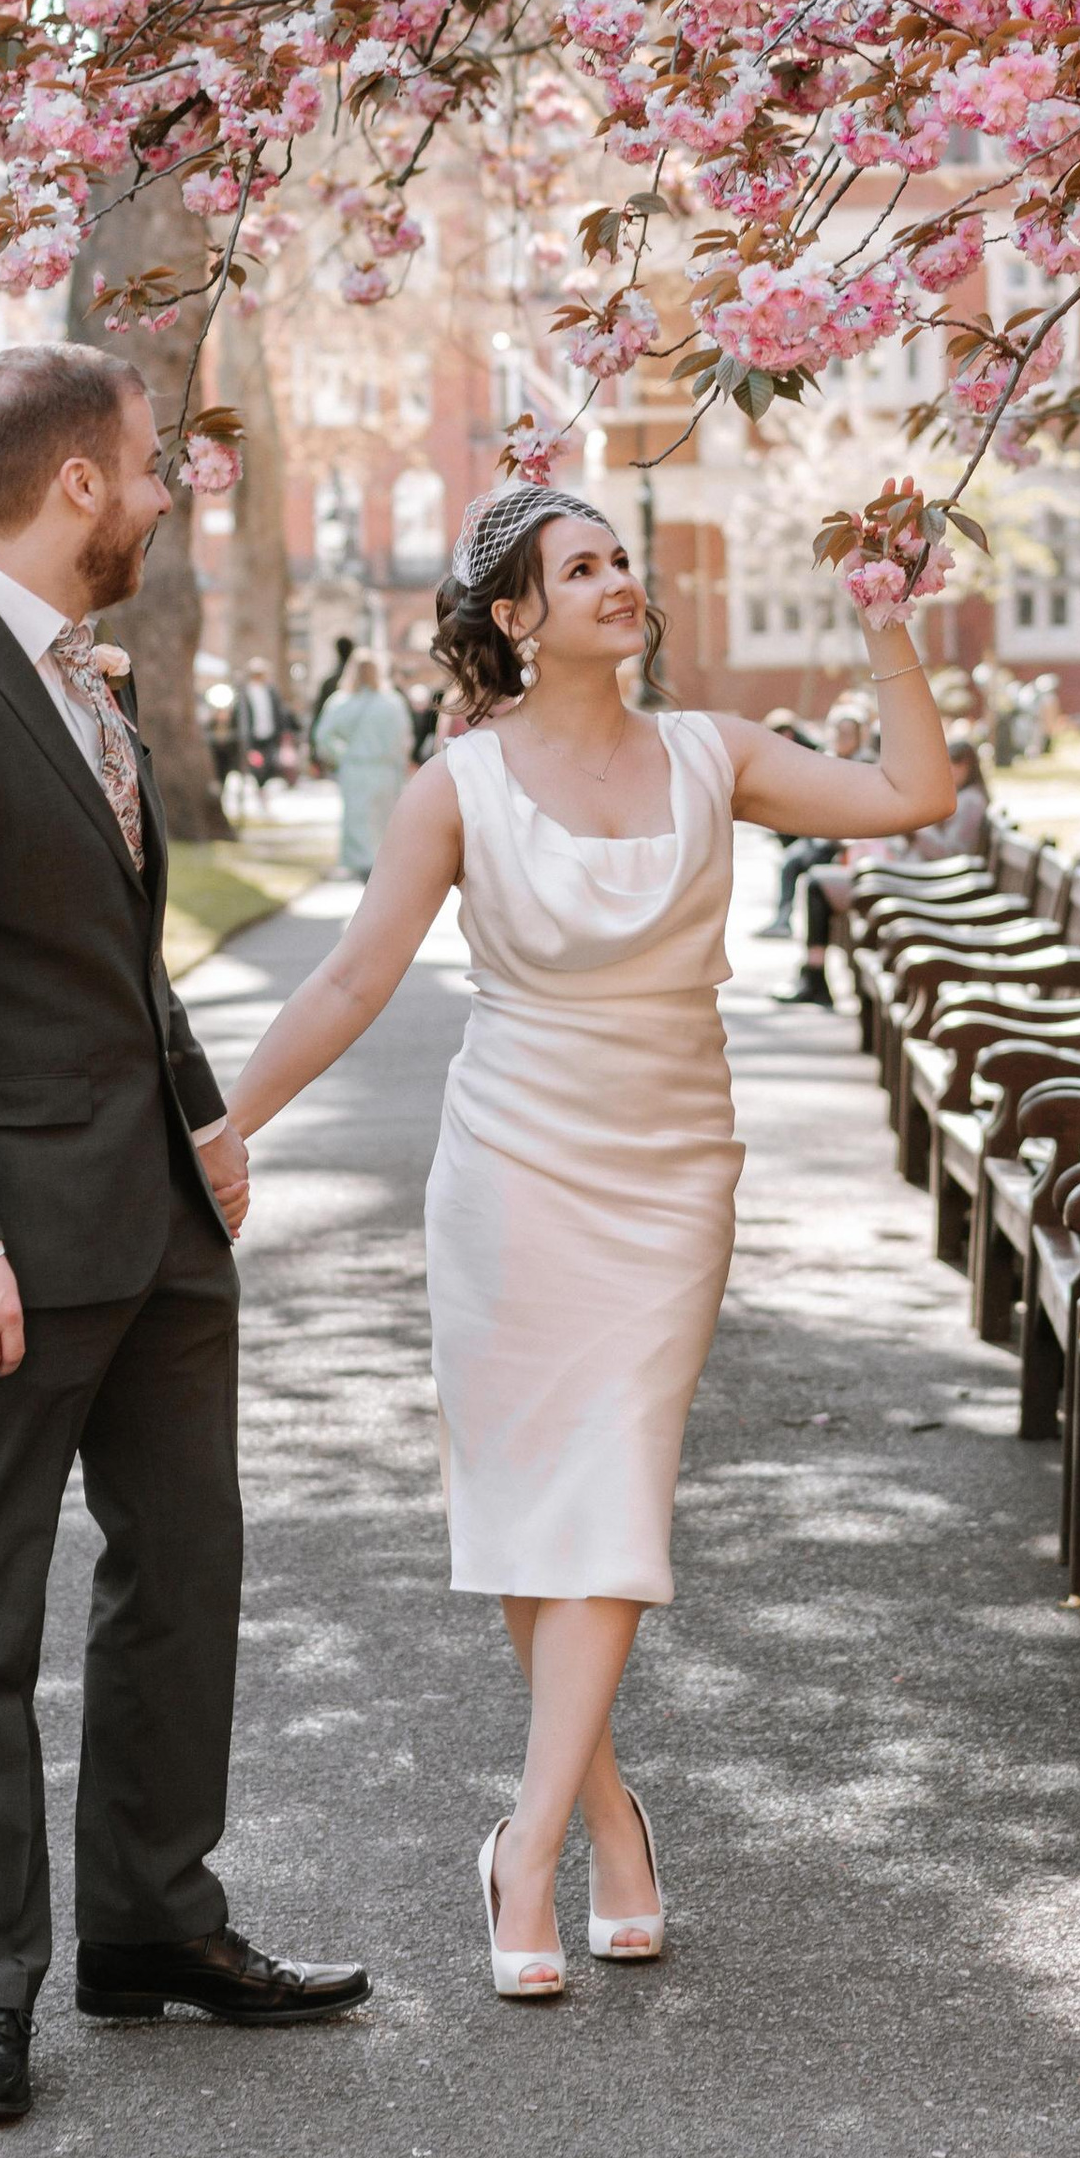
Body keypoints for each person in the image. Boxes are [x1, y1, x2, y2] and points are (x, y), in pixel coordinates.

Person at [218, 481, 953, 1999]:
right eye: (584, 567)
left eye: (626, 559)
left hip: (671, 1169)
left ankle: (526, 1837)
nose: (624, 581)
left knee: (613, 1480)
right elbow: (354, 981)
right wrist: (233, 1125)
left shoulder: (715, 753)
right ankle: (608, 1821)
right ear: (514, 617)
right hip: (509, 1169)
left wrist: (887, 627)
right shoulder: (455, 789)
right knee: (531, 1497)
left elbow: (910, 795)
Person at [0, 342, 369, 2130]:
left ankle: (152, 1924)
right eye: (145, 467)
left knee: (182, 1575)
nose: (161, 493)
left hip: (154, 1228)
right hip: (3, 1257)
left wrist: (201, 1111)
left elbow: (112, 952)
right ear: (70, 483)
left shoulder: (75, 675)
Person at [779, 741, 992, 1008]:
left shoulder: (971, 801)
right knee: (822, 876)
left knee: (817, 884)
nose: (943, 771)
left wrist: (916, 826)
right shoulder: (961, 796)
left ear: (966, 765)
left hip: (921, 886)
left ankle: (815, 978)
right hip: (909, 877)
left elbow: (952, 854)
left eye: (949, 764)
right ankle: (813, 976)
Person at [756, 702, 870, 936]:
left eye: (848, 734)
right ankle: (783, 919)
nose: (842, 738)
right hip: (822, 838)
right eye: (839, 732)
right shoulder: (824, 759)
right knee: (790, 861)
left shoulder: (867, 766)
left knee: (811, 876)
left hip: (852, 842)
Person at [313, 647, 414, 877]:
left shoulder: (342, 702)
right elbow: (404, 739)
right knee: (384, 818)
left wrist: (341, 757)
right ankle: (382, 865)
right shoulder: (393, 703)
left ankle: (364, 867)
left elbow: (323, 736)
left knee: (359, 819)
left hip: (357, 767)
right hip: (386, 768)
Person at [233, 657, 297, 809]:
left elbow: (278, 712)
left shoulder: (270, 691)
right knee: (256, 766)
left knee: (269, 764)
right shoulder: (245, 692)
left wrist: (283, 731)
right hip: (253, 737)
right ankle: (259, 790)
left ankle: (262, 790)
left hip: (269, 734)